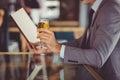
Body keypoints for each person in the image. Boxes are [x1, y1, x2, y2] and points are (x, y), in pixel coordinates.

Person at [28, 0, 120, 80]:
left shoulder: (110, 9)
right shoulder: (97, 9)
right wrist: (50, 48)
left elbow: (98, 57)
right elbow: (83, 42)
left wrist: (57, 48)